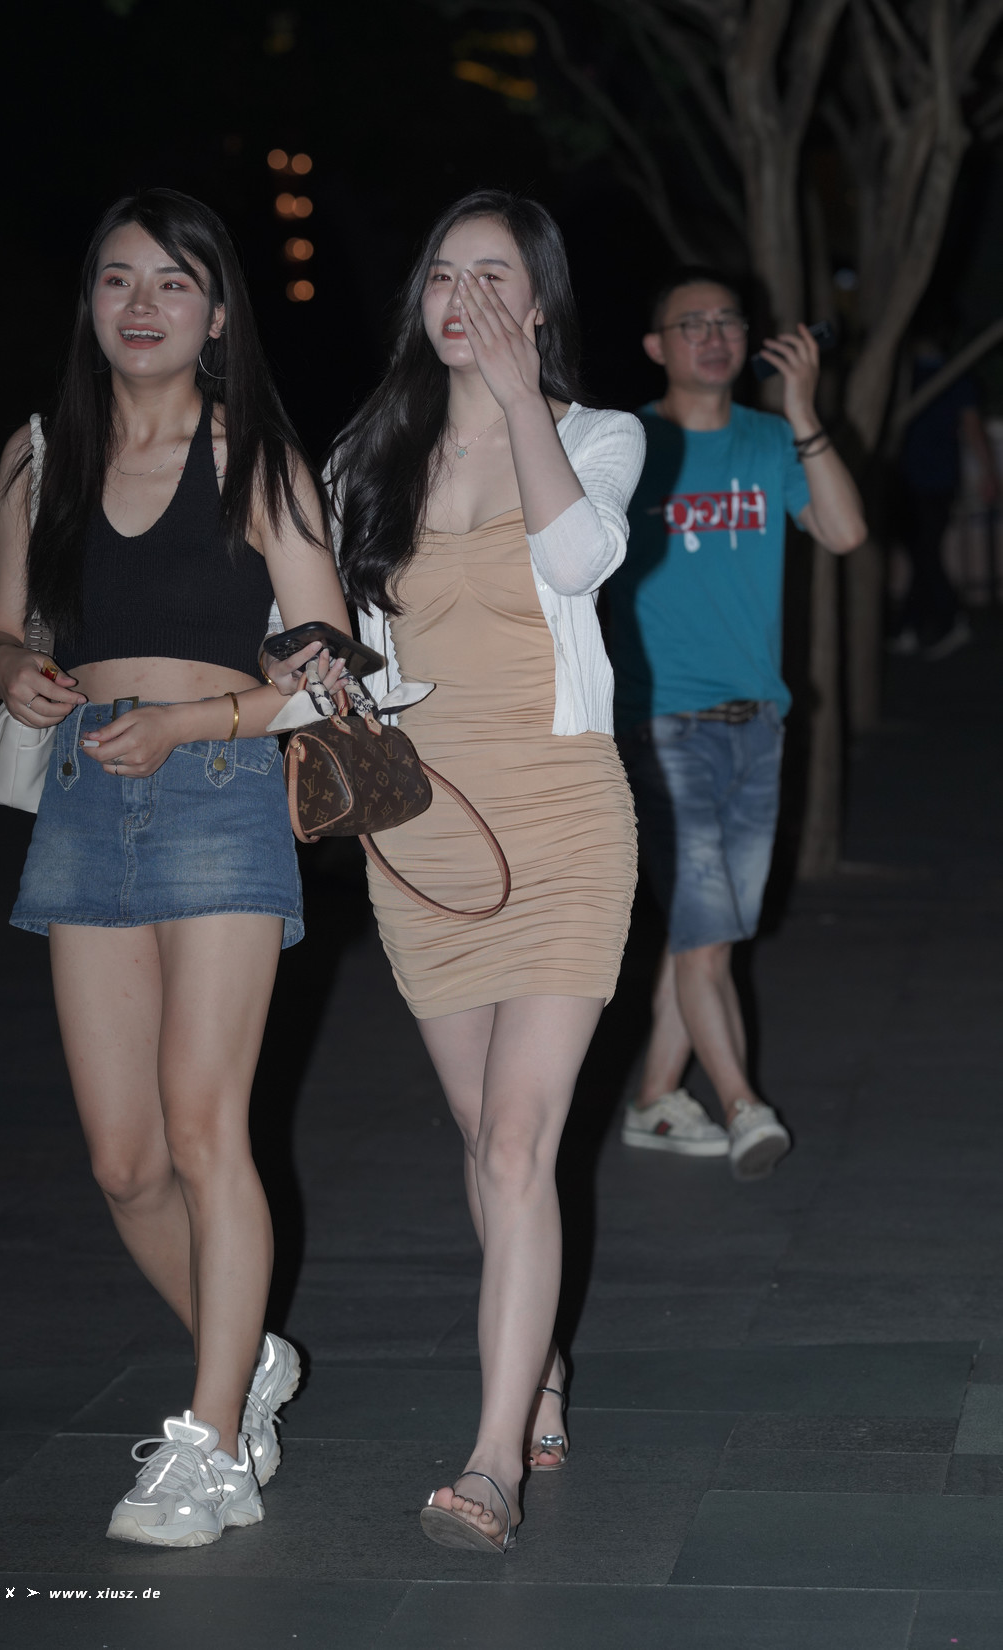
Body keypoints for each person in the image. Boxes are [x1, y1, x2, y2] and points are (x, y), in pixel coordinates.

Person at [0, 188, 351, 1546]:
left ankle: (210, 1447)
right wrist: (12, 672)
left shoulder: (257, 459)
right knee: (125, 1164)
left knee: (203, 1130)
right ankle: (244, 1359)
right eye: (119, 279)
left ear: (217, 313)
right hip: (84, 798)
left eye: (173, 283)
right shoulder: (38, 457)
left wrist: (199, 720)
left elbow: (329, 659)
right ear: (91, 301)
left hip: (221, 791)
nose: (142, 305)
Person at [331, 190, 645, 1553]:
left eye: (493, 276)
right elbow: (320, 624)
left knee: (519, 1140)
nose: (461, 296)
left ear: (538, 301)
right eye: (442, 273)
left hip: (564, 817)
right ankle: (543, 1362)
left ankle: (493, 1456)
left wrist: (524, 403)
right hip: (423, 836)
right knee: (482, 1144)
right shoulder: (366, 453)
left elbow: (578, 560)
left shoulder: (596, 435)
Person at [608, 267, 866, 1180]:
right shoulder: (625, 445)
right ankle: (743, 1103)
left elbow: (843, 531)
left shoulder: (769, 439)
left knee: (703, 933)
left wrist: (802, 409)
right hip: (660, 724)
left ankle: (653, 1100)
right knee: (707, 930)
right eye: (692, 323)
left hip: (759, 723)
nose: (713, 336)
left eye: (728, 321)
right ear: (656, 346)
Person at [889, 332, 998, 659]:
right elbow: (972, 425)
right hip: (915, 477)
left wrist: (988, 473)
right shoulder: (907, 375)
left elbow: (972, 426)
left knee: (925, 553)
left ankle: (946, 620)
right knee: (921, 553)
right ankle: (913, 624)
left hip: (931, 479)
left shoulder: (946, 375)